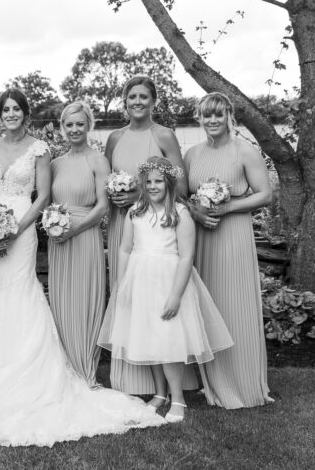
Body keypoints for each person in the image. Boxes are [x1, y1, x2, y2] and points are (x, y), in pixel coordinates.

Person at [0, 89, 165, 447]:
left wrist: (13, 230)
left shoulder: (40, 150)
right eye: (5, 109)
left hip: (21, 231)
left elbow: (41, 197)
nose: (10, 114)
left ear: (26, 115)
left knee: (19, 292)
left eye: (16, 110)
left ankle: (30, 371)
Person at [98, 156, 233, 423]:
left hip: (167, 280)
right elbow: (125, 248)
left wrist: (175, 295)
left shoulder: (180, 214)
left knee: (167, 339)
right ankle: (160, 394)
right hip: (139, 279)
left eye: (159, 181)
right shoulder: (135, 210)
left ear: (169, 183)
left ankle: (178, 397)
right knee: (148, 337)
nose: (153, 186)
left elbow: (186, 257)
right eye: (148, 182)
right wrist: (121, 283)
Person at [184, 92, 273, 409]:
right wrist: (196, 212)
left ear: (229, 116)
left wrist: (229, 207)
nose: (211, 121)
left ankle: (244, 382)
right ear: (200, 118)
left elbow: (264, 195)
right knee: (209, 307)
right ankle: (213, 382)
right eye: (206, 115)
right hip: (203, 237)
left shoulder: (244, 151)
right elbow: (183, 197)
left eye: (218, 115)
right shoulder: (192, 154)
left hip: (233, 236)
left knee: (235, 305)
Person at [105, 75, 188, 395]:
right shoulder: (114, 138)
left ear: (153, 101)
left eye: (143, 96)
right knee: (127, 298)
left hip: (155, 228)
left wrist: (140, 193)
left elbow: (181, 185)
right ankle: (130, 379)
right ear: (124, 102)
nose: (137, 102)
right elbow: (108, 179)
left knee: (155, 303)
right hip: (122, 225)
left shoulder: (164, 135)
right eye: (131, 97)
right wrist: (116, 195)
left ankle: (168, 386)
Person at [47, 101, 110, 387]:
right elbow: (47, 204)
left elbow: (103, 206)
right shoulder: (55, 164)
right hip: (58, 241)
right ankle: (65, 368)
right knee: (61, 302)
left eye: (79, 124)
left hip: (84, 236)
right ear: (62, 127)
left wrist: (73, 230)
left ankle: (86, 369)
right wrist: (53, 226)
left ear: (89, 126)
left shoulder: (97, 160)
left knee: (85, 300)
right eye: (69, 124)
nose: (74, 129)